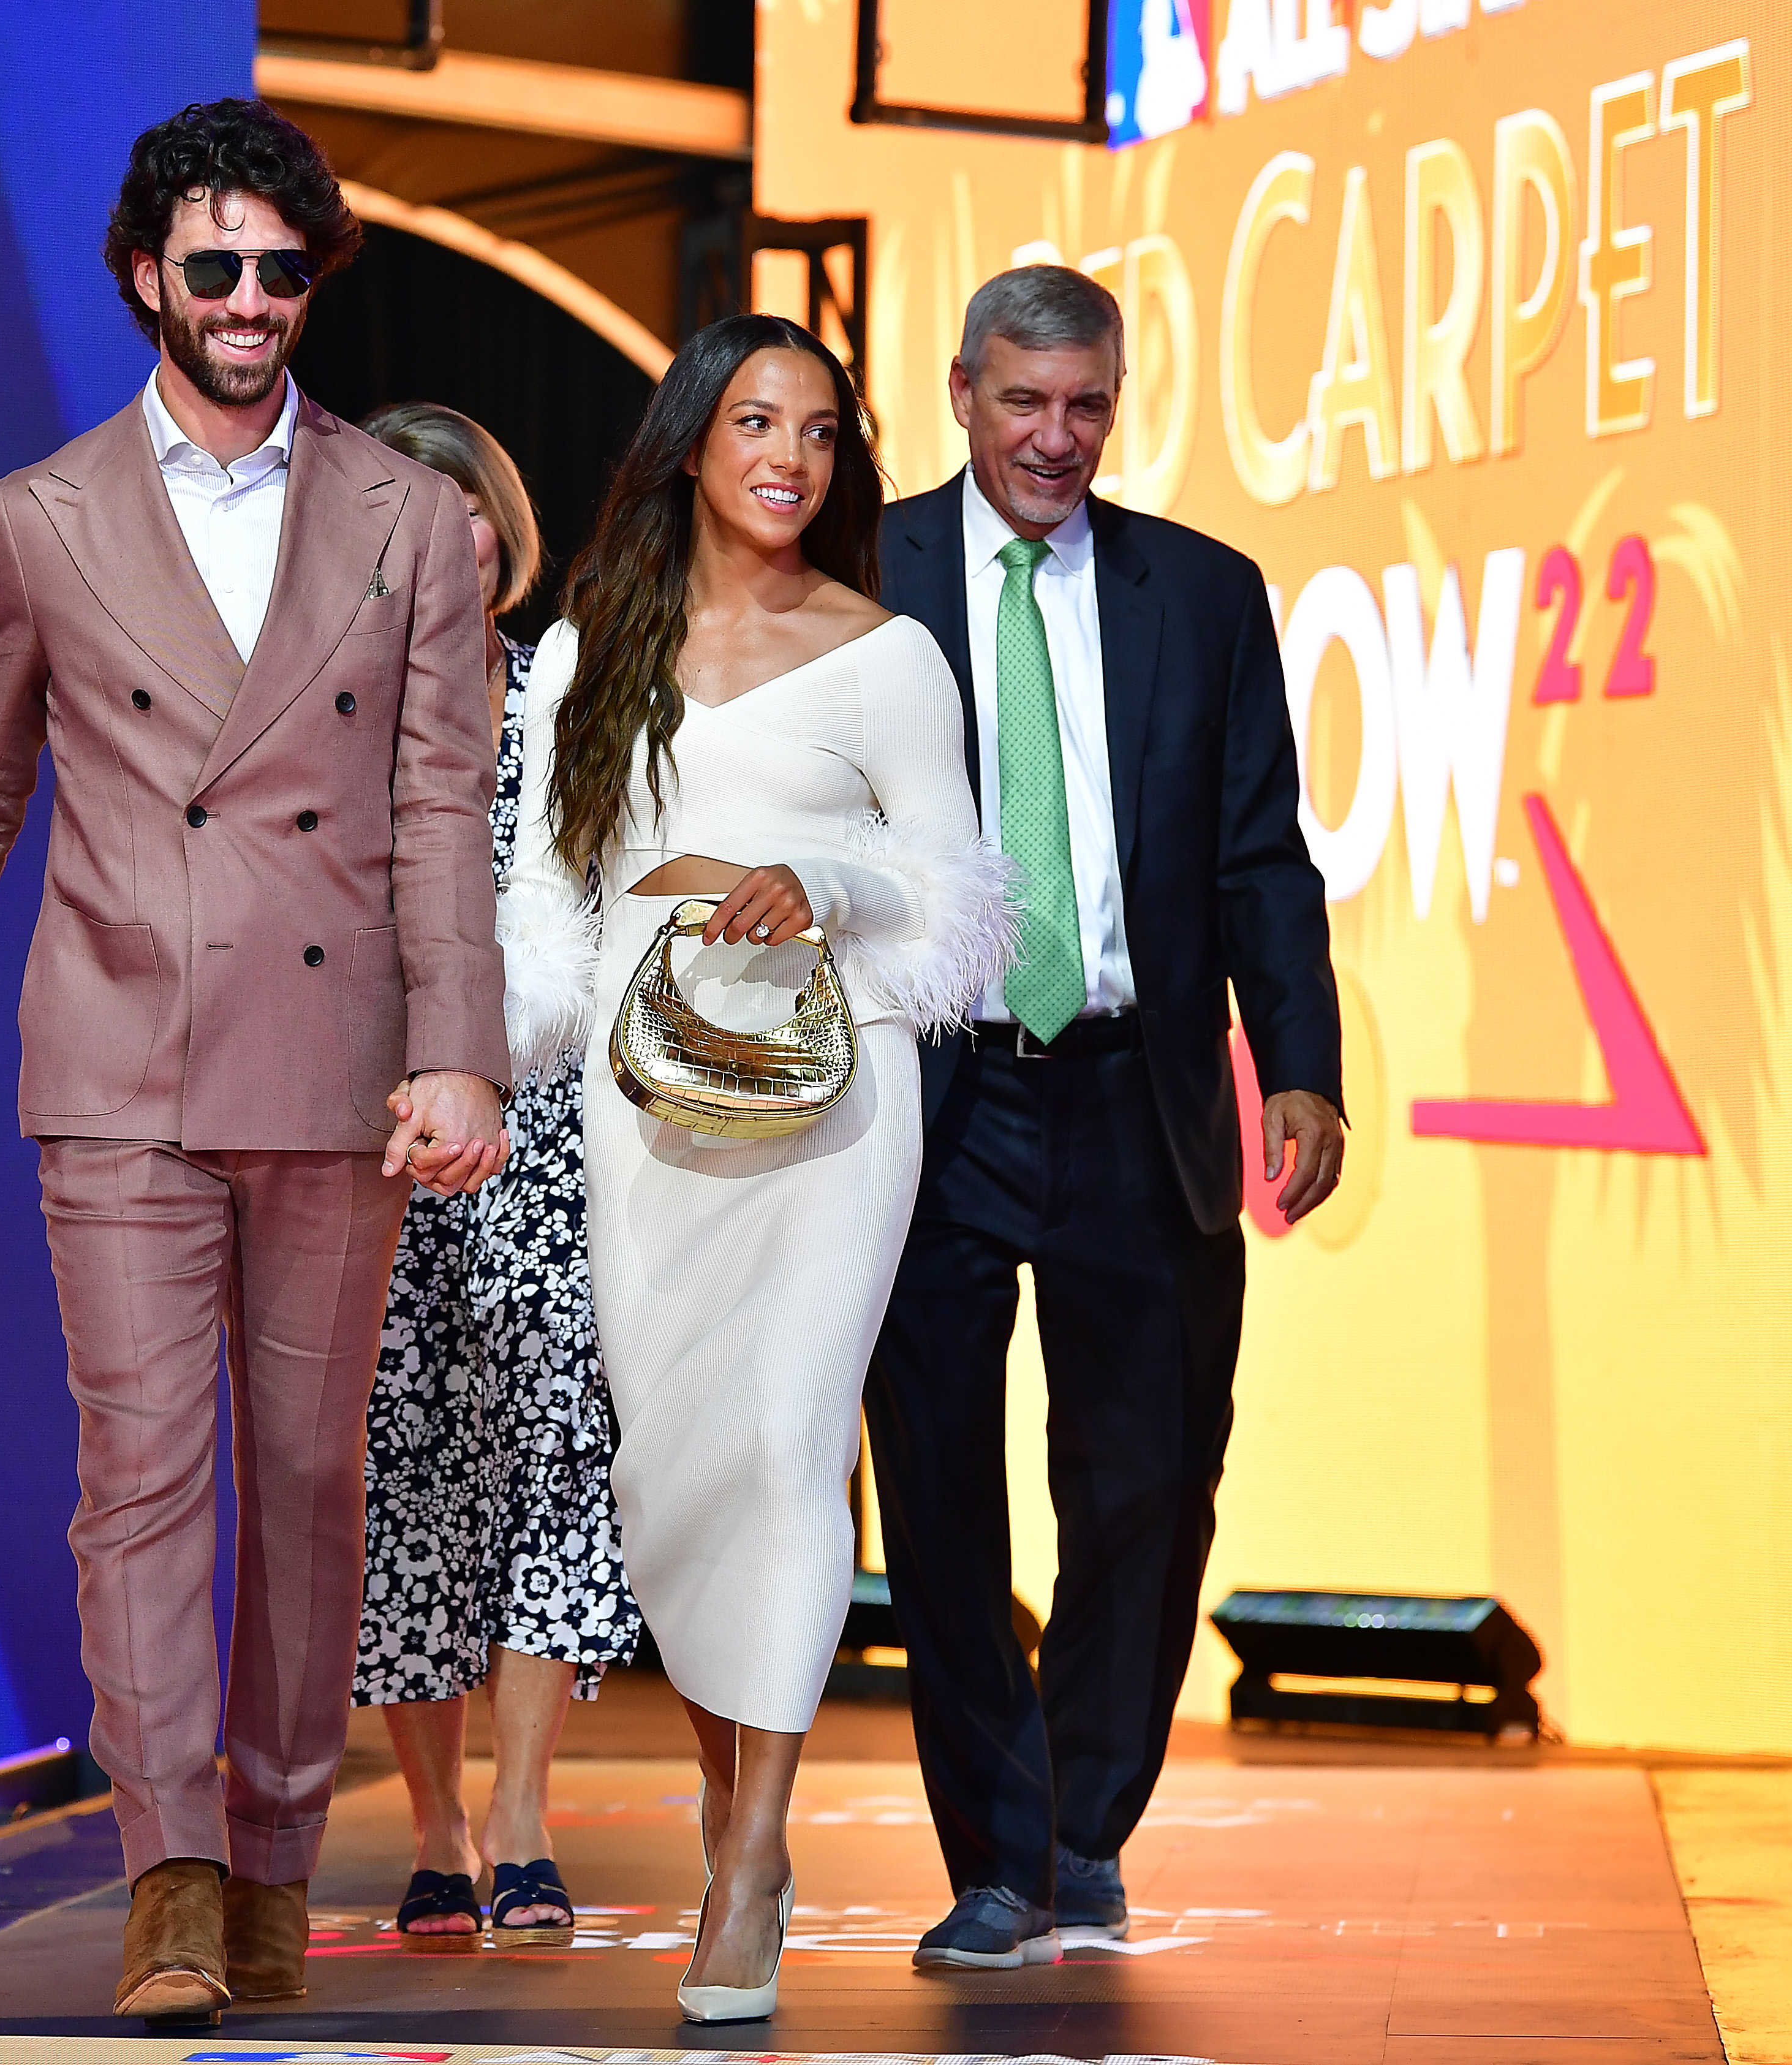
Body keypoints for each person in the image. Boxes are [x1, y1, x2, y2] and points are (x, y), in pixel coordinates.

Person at [0, 100, 515, 2027]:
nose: (248, 302)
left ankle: (284, 1847)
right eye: (213, 267)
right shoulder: (37, 519)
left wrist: (458, 1052)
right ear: (148, 276)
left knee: (304, 1482)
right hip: (119, 1061)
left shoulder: (408, 520)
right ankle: (174, 1875)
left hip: (336, 1067)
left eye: (283, 270)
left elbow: (441, 804)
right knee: (140, 1476)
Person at [502, 314, 1015, 2022]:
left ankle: (755, 1856)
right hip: (644, 1111)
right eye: (754, 421)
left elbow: (966, 917)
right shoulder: (591, 655)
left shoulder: (889, 657)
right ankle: (736, 1798)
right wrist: (459, 1064)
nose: (789, 454)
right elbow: (546, 914)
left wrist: (828, 879)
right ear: (692, 445)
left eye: (817, 428)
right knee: (677, 1482)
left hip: (835, 1105)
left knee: (790, 1451)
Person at [862, 264, 1344, 1972]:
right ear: (960, 392)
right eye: (1024, 403)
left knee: (1146, 1483)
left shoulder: (1202, 593)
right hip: (933, 1096)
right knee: (938, 1492)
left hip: (1144, 1097)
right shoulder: (867, 572)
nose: (1056, 438)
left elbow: (1260, 852)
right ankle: (997, 1856)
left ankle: (1080, 1820)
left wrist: (1300, 1062)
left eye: (1088, 407)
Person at [350, 403, 643, 1951]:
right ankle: (435, 1826)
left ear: (503, 530)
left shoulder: (571, 695)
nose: (444, 538)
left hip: (545, 1136)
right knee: (410, 1484)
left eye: (465, 510)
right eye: (407, 509)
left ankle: (523, 1814)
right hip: (379, 1146)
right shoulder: (326, 708)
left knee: (553, 1461)